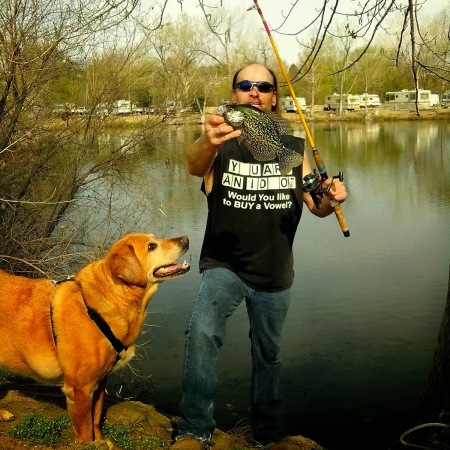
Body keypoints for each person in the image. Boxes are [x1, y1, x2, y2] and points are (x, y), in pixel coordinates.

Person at [171, 63, 347, 450]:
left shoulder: (292, 148)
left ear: (273, 98)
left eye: (263, 86)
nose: (254, 91)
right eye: (245, 85)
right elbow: (193, 164)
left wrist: (330, 197)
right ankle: (193, 430)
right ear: (234, 95)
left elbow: (314, 203)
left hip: (275, 270)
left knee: (268, 354)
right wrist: (209, 141)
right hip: (225, 265)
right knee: (201, 333)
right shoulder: (219, 146)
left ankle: (269, 435)